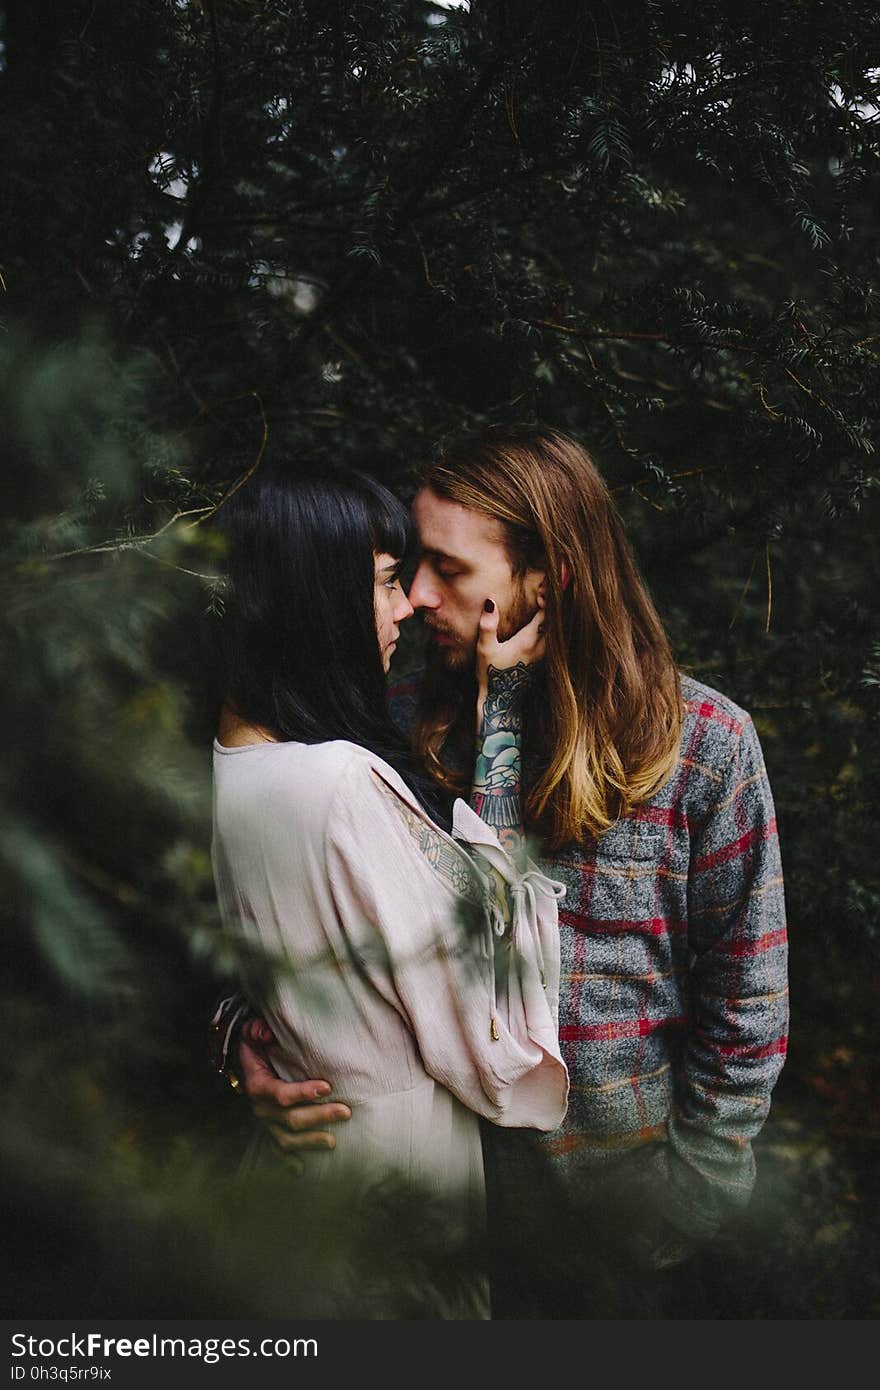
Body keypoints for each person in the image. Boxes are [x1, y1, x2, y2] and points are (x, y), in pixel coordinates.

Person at [219, 427, 788, 1318]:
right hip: (443, 1222)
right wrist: (243, 1044)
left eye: (448, 570)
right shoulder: (394, 724)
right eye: (411, 567)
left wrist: (686, 1205)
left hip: (624, 1239)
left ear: (547, 579)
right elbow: (277, 899)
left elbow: (749, 1006)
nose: (415, 595)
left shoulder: (707, 749)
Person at [209, 465, 568, 1318]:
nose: (408, 604)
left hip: (315, 1174)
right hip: (392, 1190)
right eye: (383, 580)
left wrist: (240, 1037)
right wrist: (506, 715)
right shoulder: (338, 781)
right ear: (313, 597)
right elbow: (491, 1014)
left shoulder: (234, 758)